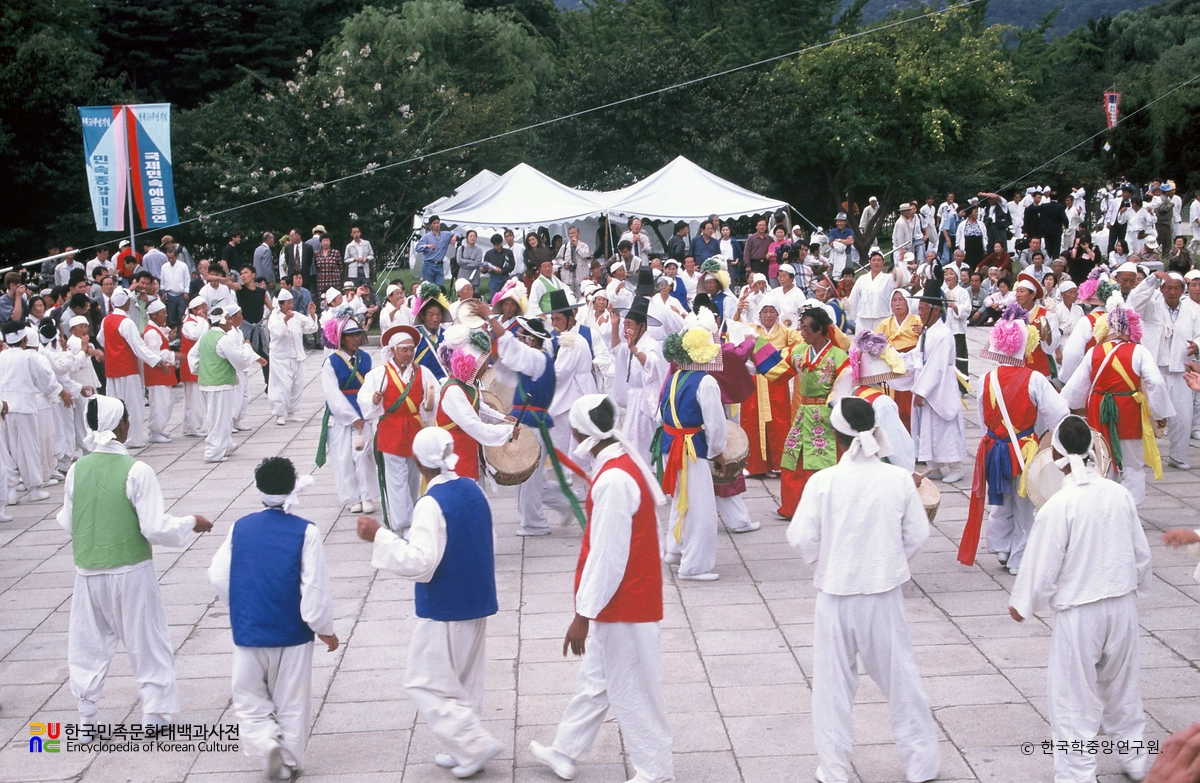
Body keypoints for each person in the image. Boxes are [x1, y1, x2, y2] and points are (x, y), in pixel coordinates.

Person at [788, 396, 940, 783]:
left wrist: (827, 560)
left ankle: (835, 768)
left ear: (837, 438)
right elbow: (918, 533)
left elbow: (803, 537)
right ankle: (921, 764)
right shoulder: (896, 480)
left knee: (832, 687)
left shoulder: (823, 482)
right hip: (882, 593)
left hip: (836, 595)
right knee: (901, 680)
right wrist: (889, 560)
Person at [531, 394, 673, 783]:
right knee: (596, 680)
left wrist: (582, 615)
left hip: (625, 601)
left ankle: (655, 769)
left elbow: (607, 555)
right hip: (625, 597)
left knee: (633, 687)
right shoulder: (620, 465)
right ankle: (565, 751)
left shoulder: (613, 479)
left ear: (581, 430)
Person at [1009, 416, 1153, 783]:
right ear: (1092, 450)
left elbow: (1043, 564)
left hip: (1079, 612)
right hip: (1121, 605)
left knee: (1074, 697)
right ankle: (1135, 758)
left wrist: (1024, 603)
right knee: (1123, 686)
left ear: (1054, 452)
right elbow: (1141, 552)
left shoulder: (1059, 505)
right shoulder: (1118, 494)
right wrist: (1138, 583)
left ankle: (1077, 773)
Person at [356, 428, 505, 778]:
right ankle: (463, 749)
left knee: (424, 680)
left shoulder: (430, 503)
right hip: (477, 597)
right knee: (463, 678)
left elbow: (421, 563)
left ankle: (473, 744)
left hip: (445, 603)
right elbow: (490, 540)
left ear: (419, 461)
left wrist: (380, 535)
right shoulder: (473, 488)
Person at [58, 396, 213, 734]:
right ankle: (155, 714)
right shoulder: (136, 471)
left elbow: (69, 522)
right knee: (147, 639)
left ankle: (87, 718)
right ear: (122, 425)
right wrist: (190, 522)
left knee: (87, 643)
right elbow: (154, 527)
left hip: (88, 571)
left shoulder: (75, 470)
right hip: (130, 571)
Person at [208, 457, 336, 780]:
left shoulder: (240, 527)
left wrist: (240, 604)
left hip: (249, 630)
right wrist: (324, 628)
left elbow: (218, 575)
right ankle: (289, 762)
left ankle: (266, 743)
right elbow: (314, 587)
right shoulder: (306, 531)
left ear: (258, 489)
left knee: (249, 699)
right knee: (292, 701)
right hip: (292, 633)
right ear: (293, 487)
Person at [959, 307, 1069, 575]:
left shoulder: (986, 378)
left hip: (995, 446)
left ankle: (1000, 547)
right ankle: (1019, 558)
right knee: (1024, 503)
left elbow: (985, 419)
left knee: (1001, 497)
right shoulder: (1035, 379)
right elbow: (1060, 413)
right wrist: (1048, 438)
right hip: (1024, 448)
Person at [1061, 300, 1172, 508]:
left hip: (1098, 408)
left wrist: (1073, 407)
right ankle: (1132, 508)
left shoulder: (1094, 352)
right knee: (1132, 464)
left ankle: (1103, 507)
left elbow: (1075, 387)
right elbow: (1156, 382)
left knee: (1102, 459)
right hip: (1128, 410)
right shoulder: (1139, 351)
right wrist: (1159, 412)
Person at [657, 324, 727, 581]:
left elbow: (661, 413)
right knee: (701, 508)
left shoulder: (675, 377)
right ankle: (694, 566)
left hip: (671, 445)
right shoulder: (706, 381)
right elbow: (715, 423)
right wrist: (718, 451)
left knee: (680, 499)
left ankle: (674, 549)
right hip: (691, 450)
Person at [358, 325, 436, 535]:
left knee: (412, 480)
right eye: (405, 350)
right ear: (393, 351)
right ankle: (403, 526)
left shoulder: (423, 372)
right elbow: (363, 399)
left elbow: (433, 395)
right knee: (396, 482)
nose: (409, 354)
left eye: (411, 349)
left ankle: (410, 521)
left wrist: (429, 404)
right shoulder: (379, 374)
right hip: (391, 431)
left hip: (415, 430)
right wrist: (373, 400)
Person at [777, 307, 849, 518]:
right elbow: (775, 369)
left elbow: (845, 388)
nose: (802, 332)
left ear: (819, 330)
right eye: (801, 327)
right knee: (794, 459)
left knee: (825, 461)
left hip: (828, 414)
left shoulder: (838, 356)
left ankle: (824, 508)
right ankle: (794, 507)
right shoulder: (798, 351)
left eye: (806, 328)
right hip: (804, 411)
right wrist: (750, 350)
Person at [1128, 270, 1200, 470]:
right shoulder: (1151, 308)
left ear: (1182, 291)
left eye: (1176, 288)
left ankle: (1178, 456)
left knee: (1183, 417)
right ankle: (1143, 456)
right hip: (1155, 368)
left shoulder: (1192, 313)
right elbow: (1137, 299)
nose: (1172, 291)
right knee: (1149, 415)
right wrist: (1153, 278)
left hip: (1181, 370)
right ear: (1161, 289)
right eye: (1168, 287)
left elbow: (1199, 334)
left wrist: (1197, 345)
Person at [97, 287, 175, 450]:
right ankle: (133, 438)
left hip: (112, 369)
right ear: (126, 303)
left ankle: (116, 437)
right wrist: (158, 361)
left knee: (115, 405)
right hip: (127, 368)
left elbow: (101, 339)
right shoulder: (126, 322)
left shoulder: (106, 320)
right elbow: (139, 347)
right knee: (133, 405)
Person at [736, 292, 802, 475]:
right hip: (754, 381)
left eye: (772, 311)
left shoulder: (786, 332)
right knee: (752, 419)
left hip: (776, 382)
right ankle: (754, 465)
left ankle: (778, 463)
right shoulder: (751, 329)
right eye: (765, 311)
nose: (768, 315)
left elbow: (802, 343)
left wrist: (781, 355)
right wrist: (737, 312)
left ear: (777, 313)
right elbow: (732, 332)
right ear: (759, 313)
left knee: (779, 420)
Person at [188, 305, 265, 463]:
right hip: (220, 384)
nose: (231, 321)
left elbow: (193, 356)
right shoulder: (224, 339)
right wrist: (247, 347)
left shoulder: (206, 335)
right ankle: (213, 453)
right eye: (229, 318)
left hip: (206, 383)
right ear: (222, 321)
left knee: (216, 417)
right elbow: (240, 360)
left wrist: (202, 370)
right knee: (219, 419)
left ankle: (225, 444)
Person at [317, 317, 379, 514]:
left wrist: (370, 407)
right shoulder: (331, 362)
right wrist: (351, 417)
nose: (355, 339)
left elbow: (371, 385)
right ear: (341, 339)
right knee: (343, 457)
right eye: (350, 336)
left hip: (364, 411)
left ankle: (367, 495)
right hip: (340, 415)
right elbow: (332, 394)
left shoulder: (367, 358)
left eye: (357, 335)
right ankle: (352, 497)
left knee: (363, 455)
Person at [0, 321, 66, 502]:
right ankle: (34, 488)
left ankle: (11, 490)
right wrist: (56, 392)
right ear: (24, 339)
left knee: (7, 450)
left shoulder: (1, 356)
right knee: (28, 448)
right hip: (24, 407)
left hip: (3, 408)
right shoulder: (29, 357)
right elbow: (44, 381)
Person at [908, 279, 966, 483]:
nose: (920, 313)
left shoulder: (943, 334)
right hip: (929, 383)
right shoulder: (927, 331)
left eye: (923, 309)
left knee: (946, 424)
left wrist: (921, 391)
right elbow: (917, 356)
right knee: (930, 426)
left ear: (934, 311)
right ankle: (935, 465)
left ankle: (956, 466)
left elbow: (937, 366)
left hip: (941, 385)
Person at [609, 297, 666, 458]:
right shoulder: (631, 343)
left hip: (646, 399)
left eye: (630, 324)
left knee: (643, 440)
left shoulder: (650, 344)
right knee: (631, 440)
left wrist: (634, 348)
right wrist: (614, 326)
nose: (626, 328)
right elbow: (616, 349)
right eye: (624, 324)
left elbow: (652, 365)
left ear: (642, 326)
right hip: (634, 399)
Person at [267, 289, 318, 425]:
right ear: (281, 304)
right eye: (287, 303)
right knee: (282, 385)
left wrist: (312, 315)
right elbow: (277, 332)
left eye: (291, 302)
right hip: (280, 357)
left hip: (296, 356)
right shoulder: (274, 317)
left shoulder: (295, 315)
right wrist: (285, 319)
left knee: (297, 384)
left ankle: (292, 412)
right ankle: (280, 413)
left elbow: (310, 328)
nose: (290, 305)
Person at [142, 300, 177, 444]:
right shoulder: (151, 332)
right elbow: (154, 353)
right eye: (163, 313)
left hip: (161, 372)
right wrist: (173, 355)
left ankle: (159, 428)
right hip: (156, 373)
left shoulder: (156, 329)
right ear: (154, 315)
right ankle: (155, 430)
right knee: (160, 403)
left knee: (167, 402)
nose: (165, 315)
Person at [847, 251, 901, 333]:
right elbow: (854, 299)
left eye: (879, 260)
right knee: (862, 344)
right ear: (870, 262)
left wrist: (901, 262)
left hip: (882, 319)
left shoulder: (889, 279)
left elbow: (901, 280)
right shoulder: (862, 279)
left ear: (883, 263)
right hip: (863, 319)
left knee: (881, 343)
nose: (876, 262)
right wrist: (852, 316)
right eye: (874, 260)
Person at [179, 298, 209, 438]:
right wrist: (203, 320)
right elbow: (198, 335)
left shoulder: (197, 321)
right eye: (202, 307)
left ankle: (191, 425)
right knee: (194, 398)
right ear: (194, 309)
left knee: (194, 397)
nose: (205, 309)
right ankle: (193, 427)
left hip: (197, 362)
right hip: (190, 363)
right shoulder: (189, 323)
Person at [942, 267, 971, 382]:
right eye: (946, 274)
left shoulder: (962, 292)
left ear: (957, 276)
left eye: (951, 274)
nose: (948, 277)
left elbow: (967, 309)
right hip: (945, 329)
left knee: (960, 358)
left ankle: (962, 385)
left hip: (958, 329)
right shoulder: (942, 291)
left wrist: (955, 307)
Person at [417, 216, 458, 287]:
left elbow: (458, 233)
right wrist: (427, 246)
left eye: (438, 223)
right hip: (428, 265)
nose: (436, 225)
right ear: (431, 225)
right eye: (434, 223)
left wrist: (455, 236)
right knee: (429, 287)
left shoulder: (446, 234)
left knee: (440, 287)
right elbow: (417, 248)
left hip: (439, 266)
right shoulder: (426, 237)